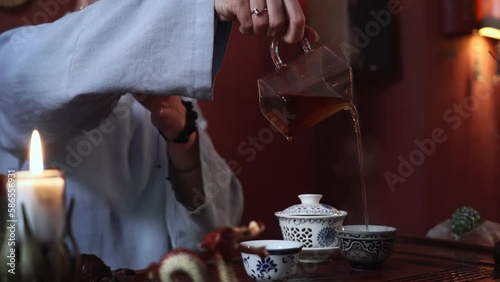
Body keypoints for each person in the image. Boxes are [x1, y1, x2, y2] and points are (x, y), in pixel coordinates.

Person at [0, 0, 318, 270]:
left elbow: (216, 229)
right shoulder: (23, 58)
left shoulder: (168, 76)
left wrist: (182, 134)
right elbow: (47, 74)